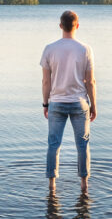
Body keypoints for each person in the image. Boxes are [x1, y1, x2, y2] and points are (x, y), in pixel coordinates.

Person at [41, 10, 97, 193]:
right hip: (79, 102)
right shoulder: (85, 49)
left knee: (53, 144)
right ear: (77, 26)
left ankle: (52, 186)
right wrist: (93, 106)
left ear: (60, 26)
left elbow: (46, 81)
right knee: (83, 145)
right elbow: (90, 82)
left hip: (56, 102)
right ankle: (84, 185)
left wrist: (45, 104)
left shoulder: (49, 49)